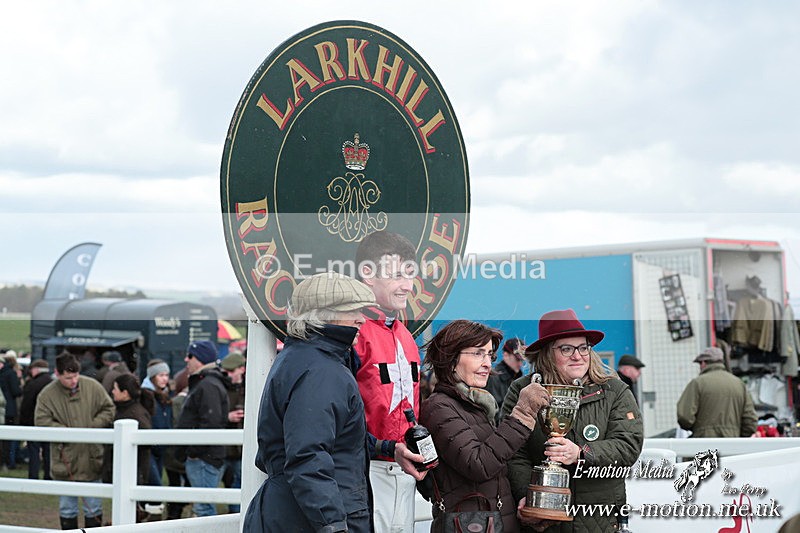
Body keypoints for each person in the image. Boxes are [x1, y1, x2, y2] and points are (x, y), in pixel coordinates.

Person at [243, 272, 376, 533]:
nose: (361, 318)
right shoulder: (321, 370)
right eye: (353, 310)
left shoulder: (302, 357)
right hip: (307, 518)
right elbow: (308, 455)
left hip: (295, 511)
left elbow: (325, 441)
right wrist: (334, 526)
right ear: (324, 315)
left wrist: (387, 448)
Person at [503, 309, 644, 532]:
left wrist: (581, 452)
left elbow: (629, 445)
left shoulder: (614, 390)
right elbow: (512, 452)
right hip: (544, 521)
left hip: (599, 518)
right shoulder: (523, 389)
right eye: (566, 349)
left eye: (583, 347)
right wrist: (528, 495)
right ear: (547, 353)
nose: (577, 355)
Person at [420, 320, 551, 532]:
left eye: (489, 355)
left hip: (495, 521)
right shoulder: (438, 408)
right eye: (478, 353)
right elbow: (479, 464)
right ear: (450, 358)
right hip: (469, 525)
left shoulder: (475, 404)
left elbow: (498, 467)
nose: (487, 363)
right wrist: (523, 414)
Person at [354, 230, 428, 532]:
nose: (407, 286)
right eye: (397, 275)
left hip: (405, 470)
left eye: (410, 275)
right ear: (368, 274)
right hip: (364, 470)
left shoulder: (406, 335)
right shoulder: (353, 331)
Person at [34, 352, 115, 530]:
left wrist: (93, 426)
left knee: (94, 508)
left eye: (76, 376)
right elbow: (41, 421)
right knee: (67, 508)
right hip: (65, 460)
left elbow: (109, 409)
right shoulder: (46, 395)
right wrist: (65, 432)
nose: (73, 381)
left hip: (92, 458)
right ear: (57, 373)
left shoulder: (93, 387)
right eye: (68, 377)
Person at [175, 339, 229, 517]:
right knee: (202, 506)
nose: (186, 359)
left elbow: (211, 423)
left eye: (189, 355)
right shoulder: (206, 383)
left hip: (204, 458)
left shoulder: (207, 385)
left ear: (199, 358)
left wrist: (193, 451)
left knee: (203, 508)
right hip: (205, 456)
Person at [677, 347, 757, 438]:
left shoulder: (697, 383)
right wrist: (736, 435)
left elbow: (684, 417)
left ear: (703, 363)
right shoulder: (739, 384)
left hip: (703, 443)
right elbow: (750, 421)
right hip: (732, 444)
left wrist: (699, 430)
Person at [107, 373, 154, 521]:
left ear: (125, 393)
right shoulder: (125, 410)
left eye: (115, 388)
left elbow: (147, 441)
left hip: (134, 471)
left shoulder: (134, 413)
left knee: (130, 513)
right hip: (129, 470)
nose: (113, 391)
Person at [141, 359, 172, 520]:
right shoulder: (146, 395)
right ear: (153, 376)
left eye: (166, 375)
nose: (164, 378)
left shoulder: (165, 395)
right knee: (155, 487)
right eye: (161, 375)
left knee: (155, 486)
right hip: (149, 449)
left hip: (161, 448)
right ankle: (152, 521)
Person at [220, 351, 246, 513]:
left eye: (231, 371)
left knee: (239, 488)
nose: (228, 375)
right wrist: (227, 417)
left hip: (241, 449)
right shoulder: (221, 387)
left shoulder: (252, 385)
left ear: (241, 369)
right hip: (225, 448)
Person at [20, 359, 53, 480]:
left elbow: (26, 404)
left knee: (33, 451)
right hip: (49, 422)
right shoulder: (53, 383)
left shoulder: (32, 384)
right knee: (48, 451)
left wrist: (23, 422)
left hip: (33, 421)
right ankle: (48, 475)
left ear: (37, 369)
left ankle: (33, 476)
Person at [486, 337, 526, 423]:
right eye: (518, 359)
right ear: (505, 355)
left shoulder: (520, 380)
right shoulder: (492, 379)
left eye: (522, 360)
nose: (520, 364)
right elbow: (492, 415)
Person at [0, 351, 23, 470]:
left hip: (3, 410)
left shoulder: (3, 374)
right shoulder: (11, 373)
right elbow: (16, 392)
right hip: (10, 410)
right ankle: (8, 462)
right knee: (8, 440)